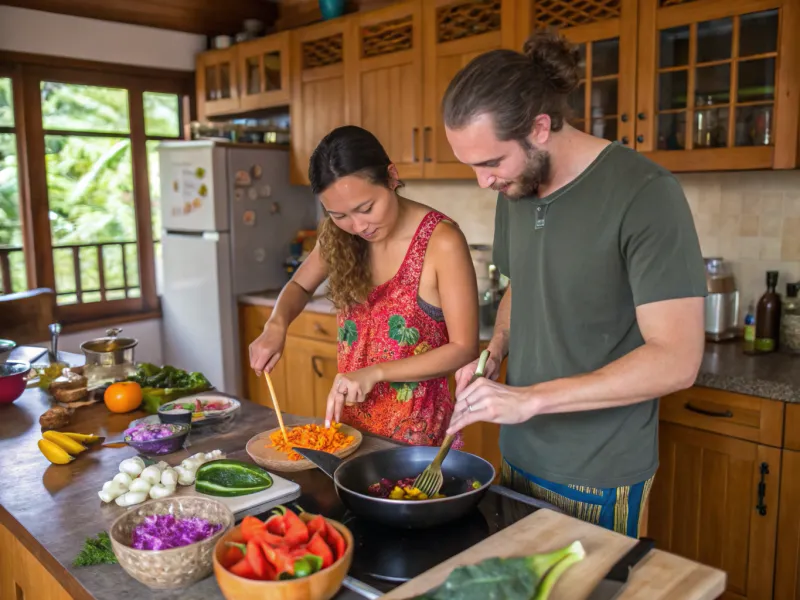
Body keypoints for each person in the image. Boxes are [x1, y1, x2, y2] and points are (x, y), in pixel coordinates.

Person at [440, 29, 707, 538]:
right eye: (472, 166)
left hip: (597, 472)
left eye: (491, 162)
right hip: (517, 454)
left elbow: (678, 358)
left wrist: (531, 399)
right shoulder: (514, 187)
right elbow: (524, 284)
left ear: (540, 127)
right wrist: (494, 351)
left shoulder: (645, 193)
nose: (484, 182)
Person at [249, 125, 479, 447]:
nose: (358, 227)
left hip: (417, 441)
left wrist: (376, 372)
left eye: (366, 208)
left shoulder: (441, 242)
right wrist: (277, 323)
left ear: (391, 177)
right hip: (350, 434)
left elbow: (464, 347)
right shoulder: (339, 236)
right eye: (339, 215)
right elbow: (300, 286)